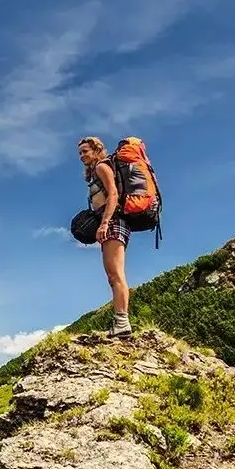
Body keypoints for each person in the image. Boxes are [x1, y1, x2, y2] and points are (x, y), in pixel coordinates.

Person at [78, 136, 132, 337]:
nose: (82, 156)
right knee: (113, 275)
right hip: (111, 221)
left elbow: (114, 194)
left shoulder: (102, 167)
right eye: (80, 153)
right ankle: (120, 322)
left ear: (96, 150)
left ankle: (122, 322)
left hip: (113, 221)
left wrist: (105, 223)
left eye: (85, 151)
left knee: (116, 274)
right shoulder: (96, 171)